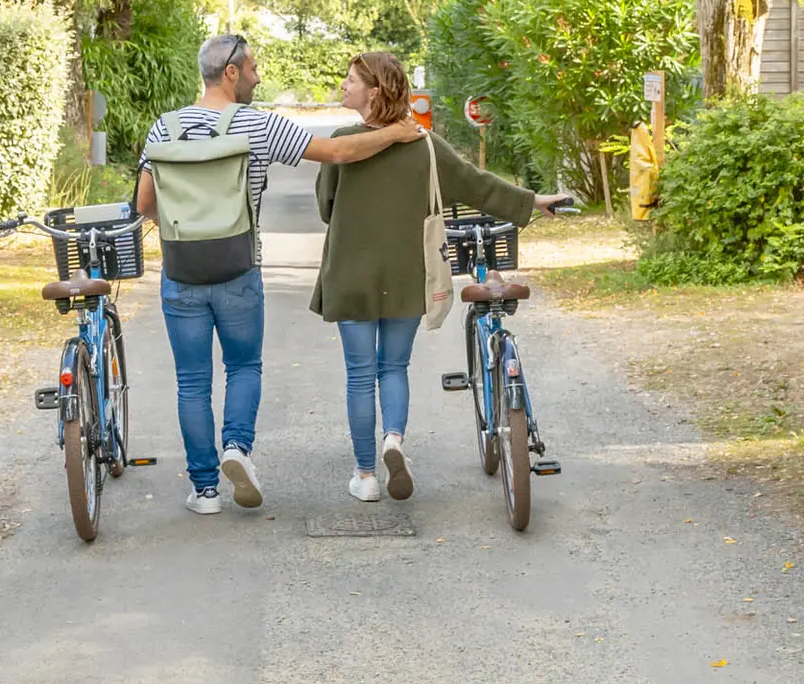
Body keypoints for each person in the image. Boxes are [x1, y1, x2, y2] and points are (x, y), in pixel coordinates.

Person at [136, 34, 422, 516]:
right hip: (237, 268)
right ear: (230, 72)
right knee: (243, 367)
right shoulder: (256, 124)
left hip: (181, 271)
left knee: (191, 381)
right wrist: (396, 133)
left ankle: (205, 491)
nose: (258, 76)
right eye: (252, 69)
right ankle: (237, 449)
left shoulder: (164, 129)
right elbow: (337, 154)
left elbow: (144, 205)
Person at [311, 52, 567, 502]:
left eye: (350, 80)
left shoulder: (342, 143)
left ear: (373, 91)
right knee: (393, 367)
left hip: (350, 271)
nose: (344, 85)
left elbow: (326, 208)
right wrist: (531, 202)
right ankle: (394, 440)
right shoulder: (424, 145)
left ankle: (366, 476)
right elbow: (475, 183)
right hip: (408, 272)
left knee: (359, 374)